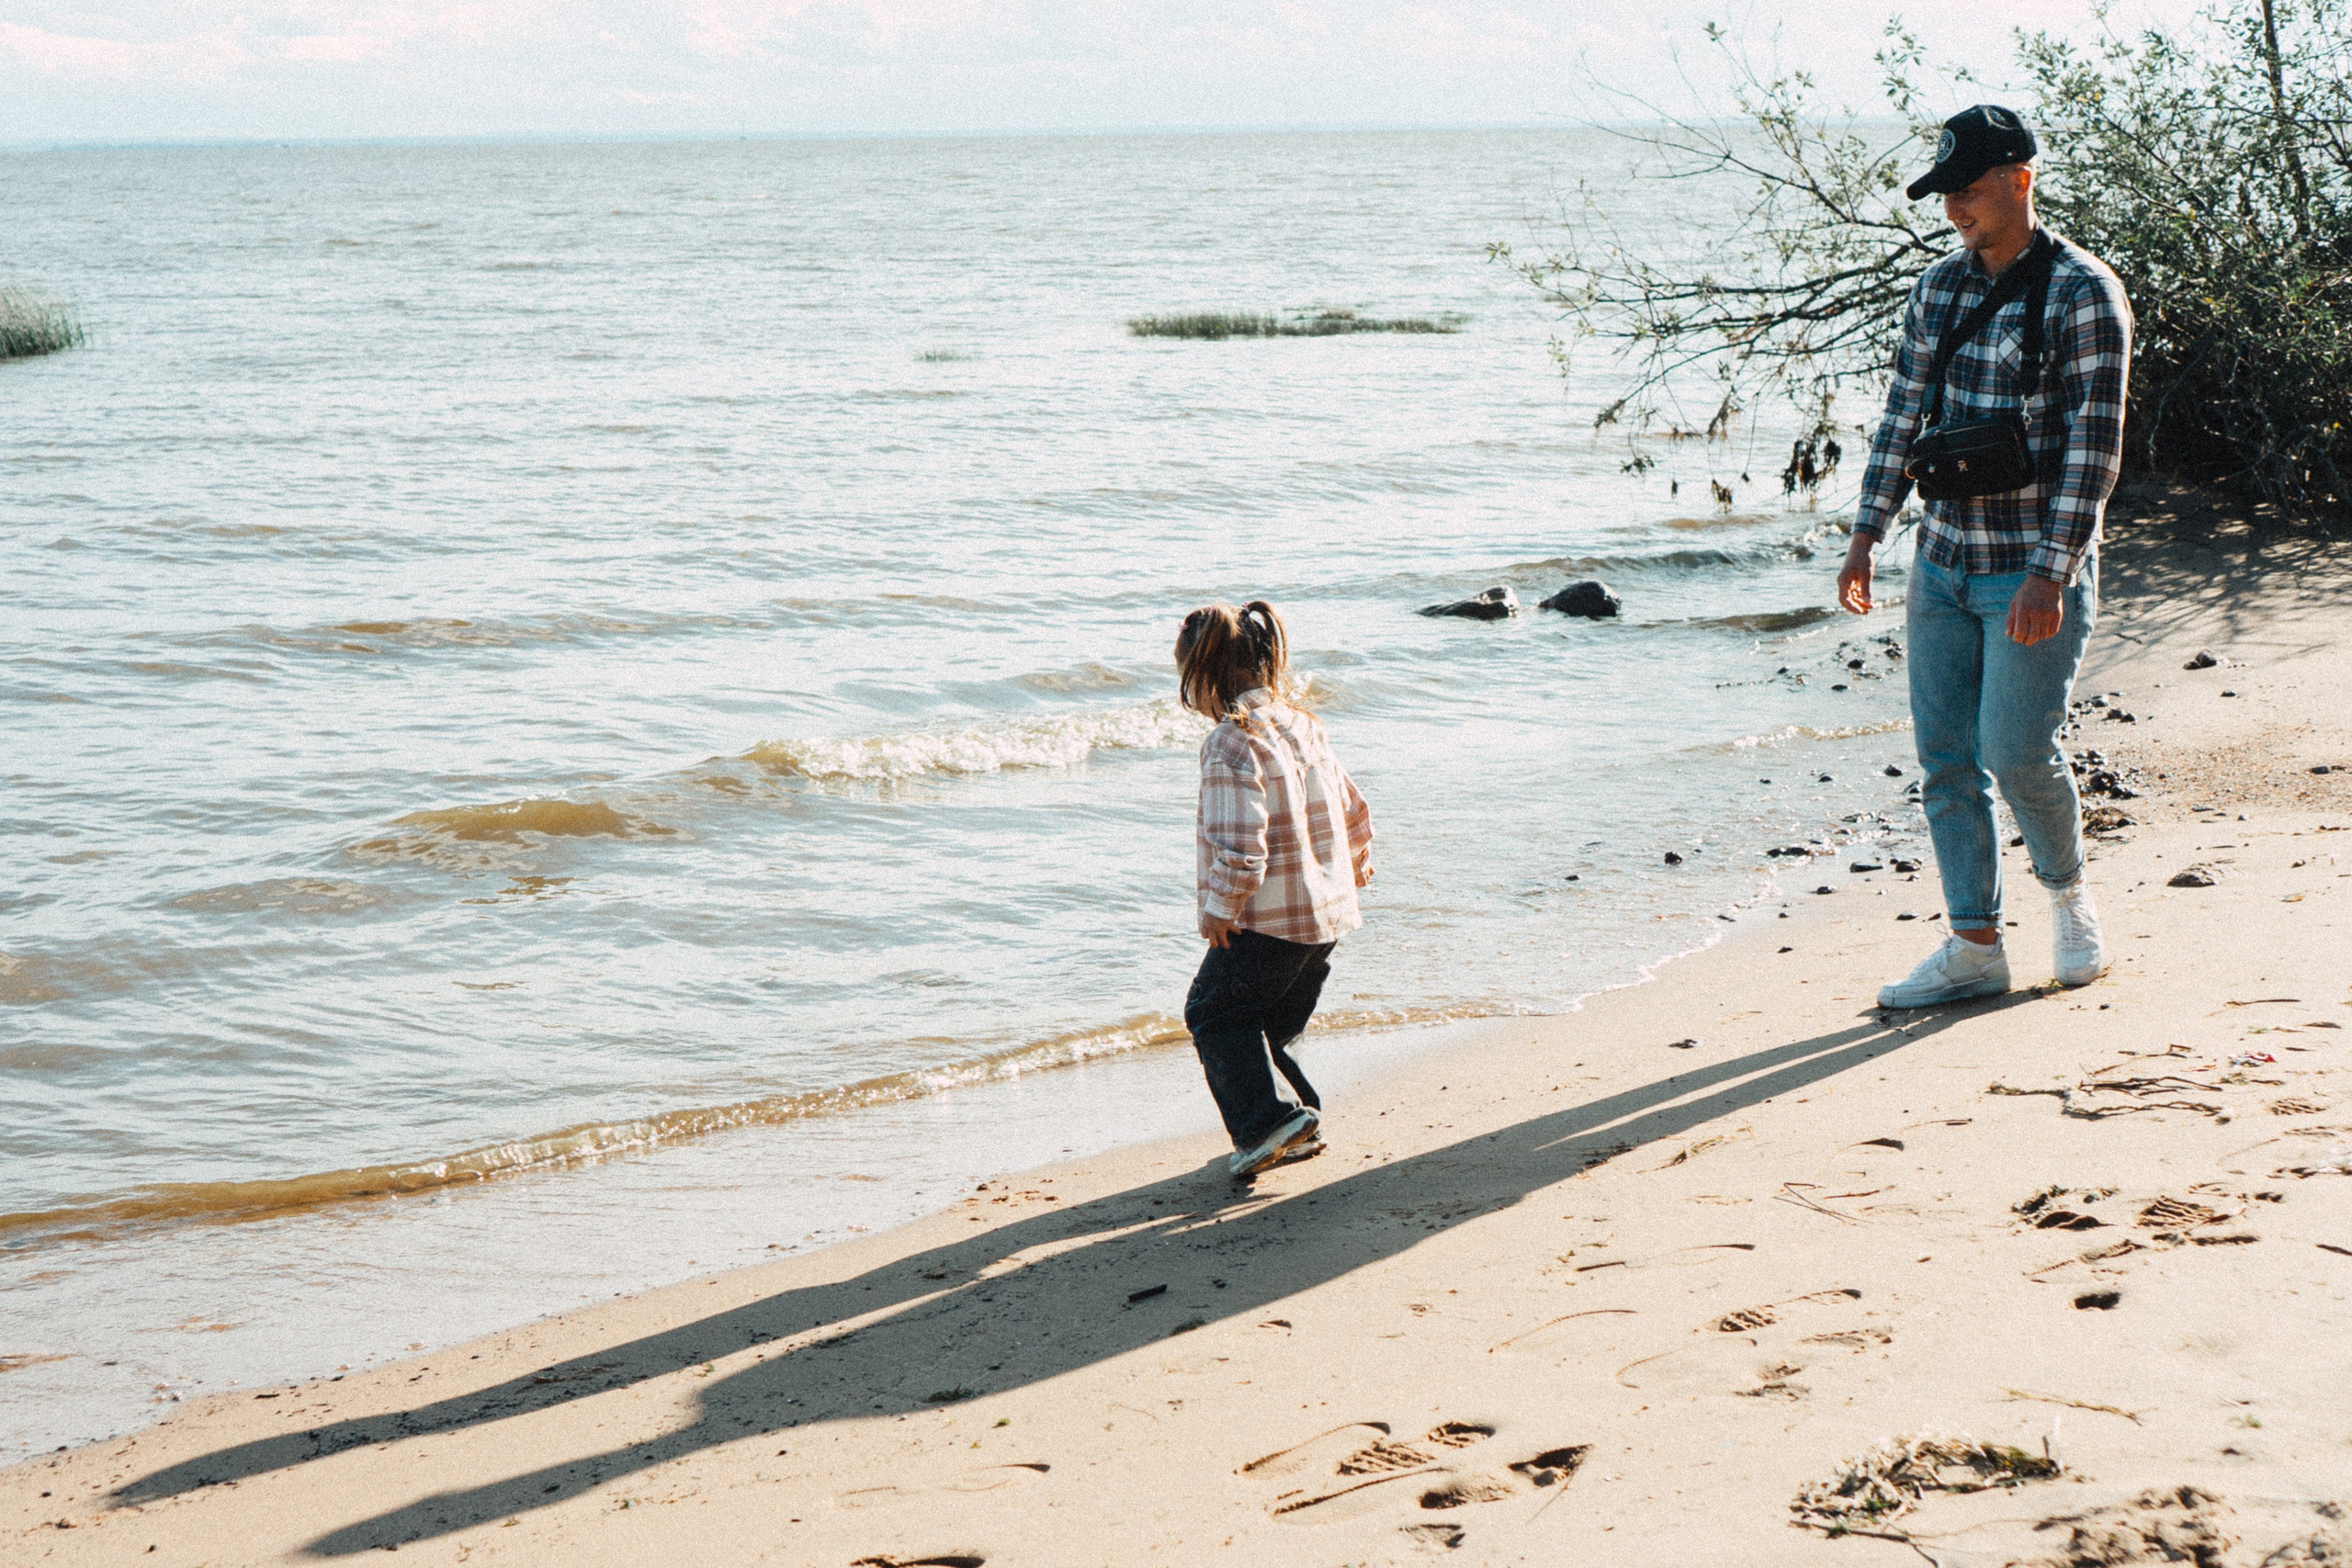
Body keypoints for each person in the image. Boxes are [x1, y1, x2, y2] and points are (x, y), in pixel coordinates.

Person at [1838, 104, 2133, 1009]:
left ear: (2019, 178)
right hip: (1942, 561)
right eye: (1944, 195)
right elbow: (1900, 416)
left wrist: (2052, 571)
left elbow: (2095, 445)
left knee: (2014, 748)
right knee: (1944, 759)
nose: (1955, 208)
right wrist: (1865, 533)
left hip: (2029, 566)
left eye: (1967, 189)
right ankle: (1973, 943)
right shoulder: (1937, 289)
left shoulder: (2081, 293)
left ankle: (2069, 898)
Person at [1175, 601, 1374, 1179]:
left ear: (1202, 676)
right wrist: (1354, 871)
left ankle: (1263, 1124)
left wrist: (1219, 909)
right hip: (1328, 915)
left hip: (1270, 921)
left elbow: (1243, 848)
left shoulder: (1228, 742)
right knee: (1262, 1022)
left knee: (1212, 1013)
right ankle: (1294, 1123)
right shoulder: (1303, 723)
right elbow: (1354, 809)